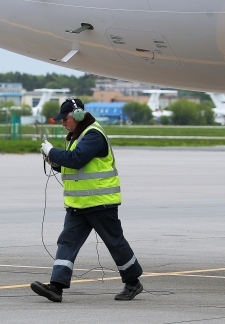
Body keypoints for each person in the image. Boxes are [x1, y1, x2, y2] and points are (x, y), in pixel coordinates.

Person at [31, 98, 143, 302]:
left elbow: (76, 160)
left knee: (114, 243)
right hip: (79, 205)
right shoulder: (79, 135)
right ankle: (56, 287)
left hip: (100, 202)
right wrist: (53, 160)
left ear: (78, 116)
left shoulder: (93, 135)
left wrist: (53, 152)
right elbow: (73, 165)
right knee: (67, 242)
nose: (63, 123)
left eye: (65, 119)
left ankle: (133, 282)